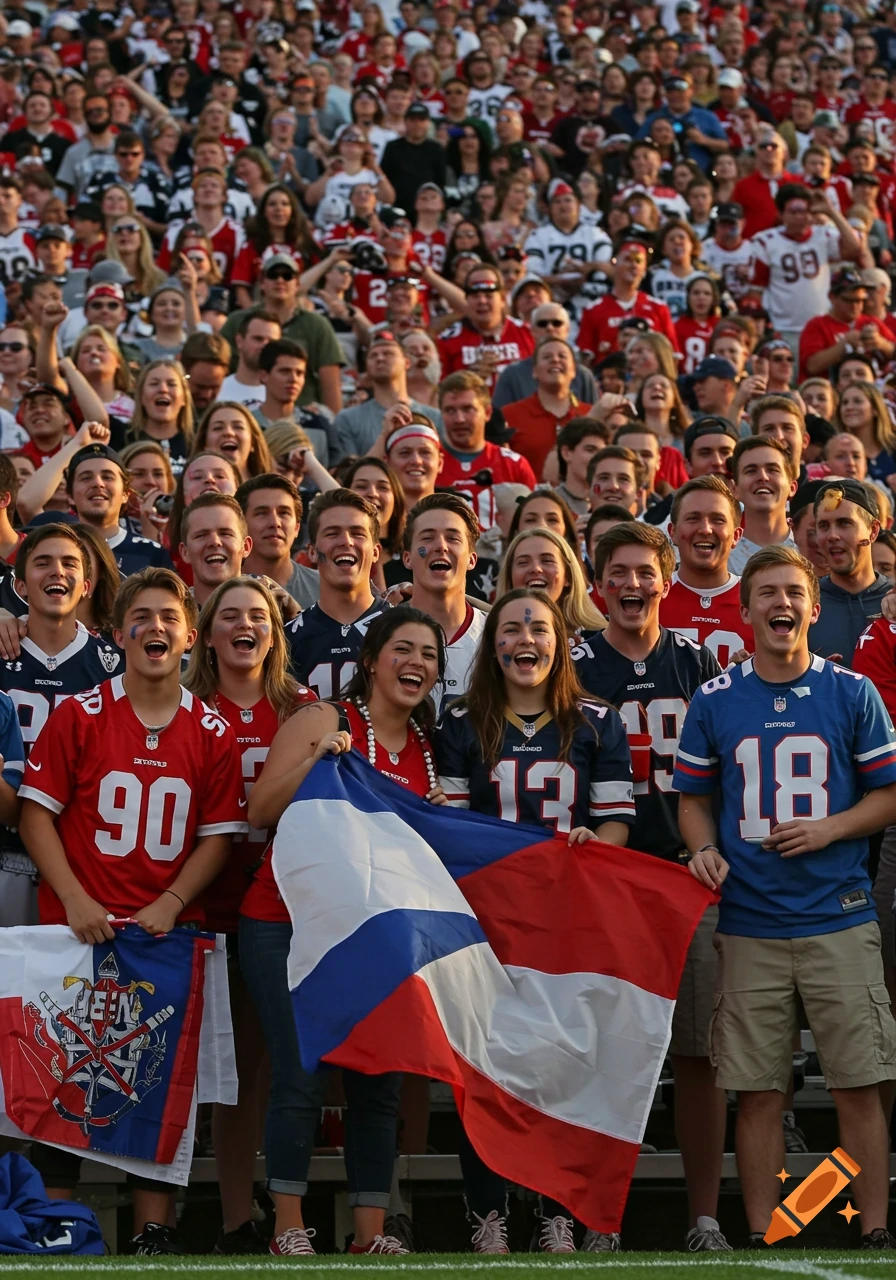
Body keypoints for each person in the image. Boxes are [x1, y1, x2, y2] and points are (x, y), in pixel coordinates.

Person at [18, 567, 246, 1255]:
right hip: (77, 931)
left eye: (168, 618)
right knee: (61, 1078)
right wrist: (77, 897)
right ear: (117, 633)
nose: (154, 627)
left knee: (148, 1079)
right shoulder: (81, 713)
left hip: (163, 934)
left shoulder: (210, 731)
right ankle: (56, 1225)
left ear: (190, 636)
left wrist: (173, 901)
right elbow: (36, 815)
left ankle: (155, 1231)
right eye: (140, 616)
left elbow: (218, 837)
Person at [676, 545, 896, 1251]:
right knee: (759, 1090)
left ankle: (873, 1227)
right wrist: (702, 846)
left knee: (858, 1084)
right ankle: (768, 1235)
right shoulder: (715, 699)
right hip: (749, 921)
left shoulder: (851, 691)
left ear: (811, 605)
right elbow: (692, 799)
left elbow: (889, 795)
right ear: (744, 611)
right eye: (766, 593)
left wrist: (830, 827)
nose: (781, 604)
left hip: (839, 911)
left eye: (794, 593)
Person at [243, 606, 448, 1257]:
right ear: (371, 660)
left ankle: (370, 1235)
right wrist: (318, 764)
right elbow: (260, 810)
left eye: (429, 655)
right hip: (286, 922)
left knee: (378, 1079)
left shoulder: (425, 749)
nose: (416, 663)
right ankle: (287, 1228)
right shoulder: (325, 719)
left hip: (372, 935)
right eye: (403, 649)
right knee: (300, 1072)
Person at [434, 586, 634, 1254]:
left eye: (538, 628)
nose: (525, 640)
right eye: (511, 628)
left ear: (561, 642)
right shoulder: (463, 721)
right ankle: (487, 1212)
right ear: (493, 646)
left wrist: (593, 850)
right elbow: (458, 828)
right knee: (483, 1072)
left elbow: (615, 823)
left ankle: (556, 1210)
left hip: (565, 923)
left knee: (559, 1068)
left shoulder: (598, 720)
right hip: (487, 919)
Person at [571, 522, 727, 1254]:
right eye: (619, 573)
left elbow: (727, 772)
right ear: (597, 586)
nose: (632, 585)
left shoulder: (697, 662)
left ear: (668, 582)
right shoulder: (572, 665)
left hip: (682, 875)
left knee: (698, 1052)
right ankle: (599, 1218)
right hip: (606, 880)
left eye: (645, 573)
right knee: (609, 1053)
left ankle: (703, 1218)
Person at [182, 575, 315, 1256]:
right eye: (228, 615)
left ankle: (278, 1204)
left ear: (275, 630)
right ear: (206, 635)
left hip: (284, 909)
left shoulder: (305, 709)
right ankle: (234, 1215)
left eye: (257, 615)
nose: (245, 625)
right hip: (205, 904)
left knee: (270, 1066)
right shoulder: (182, 708)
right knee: (226, 1071)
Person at [0, 522, 122, 927]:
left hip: (83, 863)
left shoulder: (117, 666)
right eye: (42, 562)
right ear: (19, 587)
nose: (57, 571)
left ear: (86, 585)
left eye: (70, 563)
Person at [284, 489, 386, 700]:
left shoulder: (402, 631)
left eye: (358, 533)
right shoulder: (287, 640)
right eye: (332, 533)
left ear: (376, 552)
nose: (346, 541)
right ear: (311, 551)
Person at [220, 256, 346, 416]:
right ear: (263, 283)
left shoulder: (317, 325)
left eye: (287, 275)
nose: (280, 280)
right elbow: (219, 367)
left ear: (297, 284)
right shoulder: (237, 321)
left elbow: (331, 384)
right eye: (273, 275)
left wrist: (333, 422)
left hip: (301, 416)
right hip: (239, 411)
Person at [393, 493, 485, 712]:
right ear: (407, 558)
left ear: (472, 559)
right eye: (427, 538)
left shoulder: (498, 636)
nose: (441, 546)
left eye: (453, 538)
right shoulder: (379, 634)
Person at [750, 185, 862, 350]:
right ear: (781, 215)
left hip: (822, 325)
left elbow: (855, 249)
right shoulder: (765, 241)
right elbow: (756, 290)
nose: (800, 217)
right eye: (794, 212)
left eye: (804, 212)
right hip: (784, 328)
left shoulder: (823, 234)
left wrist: (830, 211)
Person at [661, 476, 754, 668]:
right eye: (693, 518)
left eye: (717, 520)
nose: (705, 529)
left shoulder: (759, 601)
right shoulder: (651, 598)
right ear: (673, 532)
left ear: (736, 536)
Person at [435, 374, 536, 531]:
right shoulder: (428, 463)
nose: (459, 419)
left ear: (488, 412)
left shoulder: (514, 464)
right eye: (450, 410)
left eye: (468, 409)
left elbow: (533, 522)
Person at [807, 479, 892, 664]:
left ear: (873, 531)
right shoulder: (803, 602)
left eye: (844, 523)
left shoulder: (892, 599)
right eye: (823, 526)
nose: (832, 536)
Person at [334, 332, 442, 460]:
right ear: (367, 367)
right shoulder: (347, 419)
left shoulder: (434, 417)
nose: (380, 358)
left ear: (407, 363)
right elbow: (348, 474)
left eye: (388, 353)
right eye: (373, 355)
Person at [502, 340, 592, 482]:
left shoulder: (591, 415)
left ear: (574, 370)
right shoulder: (508, 415)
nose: (555, 360)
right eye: (546, 357)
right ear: (534, 371)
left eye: (562, 356)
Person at [438, 265, 535, 394]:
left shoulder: (528, 333)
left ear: (502, 298)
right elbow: (439, 392)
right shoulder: (446, 341)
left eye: (488, 295)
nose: (482, 301)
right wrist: (467, 381)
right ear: (466, 299)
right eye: (475, 295)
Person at [577, 239, 679, 360]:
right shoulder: (594, 309)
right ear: (614, 263)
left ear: (645, 269)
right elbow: (586, 358)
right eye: (628, 259)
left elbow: (672, 356)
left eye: (638, 261)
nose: (633, 265)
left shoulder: (659, 308)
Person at [236, 475, 321, 611]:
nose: (275, 523)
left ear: (297, 528)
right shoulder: (221, 591)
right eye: (262, 513)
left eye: (284, 513)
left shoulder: (326, 588)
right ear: (241, 526)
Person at [492, 303, 598, 409]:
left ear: (567, 329)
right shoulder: (512, 375)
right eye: (542, 324)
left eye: (557, 323)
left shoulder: (583, 375)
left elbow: (594, 419)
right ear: (532, 330)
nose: (550, 328)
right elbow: (500, 420)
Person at [798, 268, 896, 382]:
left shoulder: (871, 322)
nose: (855, 306)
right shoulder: (817, 325)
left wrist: (881, 343)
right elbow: (812, 366)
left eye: (860, 300)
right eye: (848, 300)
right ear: (832, 297)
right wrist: (843, 345)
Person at [727, 437, 798, 576]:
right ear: (734, 489)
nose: (763, 477)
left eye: (773, 469)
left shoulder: (810, 550)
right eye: (751, 471)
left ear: (792, 487)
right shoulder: (721, 558)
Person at [179, 493, 253, 610]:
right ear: (184, 552)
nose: (214, 542)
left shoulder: (276, 610)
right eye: (201, 535)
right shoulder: (169, 617)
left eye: (226, 534)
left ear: (246, 547)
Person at [220, 312, 282, 414]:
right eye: (258, 339)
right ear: (239, 341)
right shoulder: (218, 391)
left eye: (272, 341)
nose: (264, 346)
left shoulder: (286, 394)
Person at [554, 419, 609, 516]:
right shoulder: (549, 501)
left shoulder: (610, 501)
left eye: (601, 452)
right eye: (590, 450)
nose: (596, 458)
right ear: (566, 453)